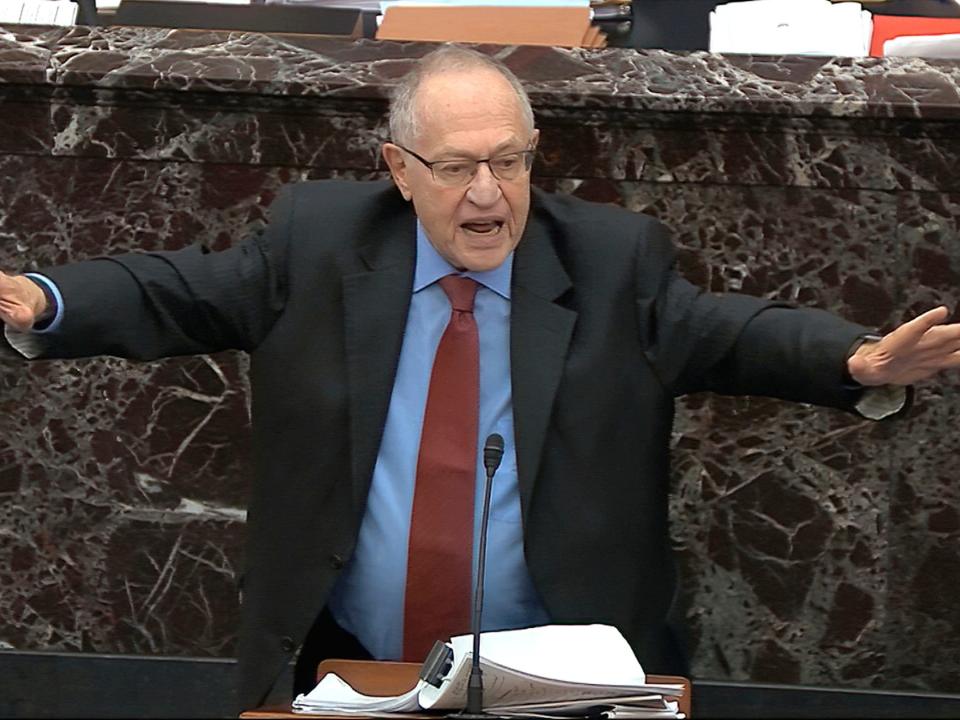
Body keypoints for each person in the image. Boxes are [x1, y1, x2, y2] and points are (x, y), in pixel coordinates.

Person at [1, 45, 958, 711]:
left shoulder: (610, 260)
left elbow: (727, 330)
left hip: (565, 680)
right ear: (398, 169)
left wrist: (855, 360)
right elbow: (179, 289)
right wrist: (46, 302)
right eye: (458, 168)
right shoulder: (321, 244)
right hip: (345, 672)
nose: (490, 194)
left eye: (510, 162)